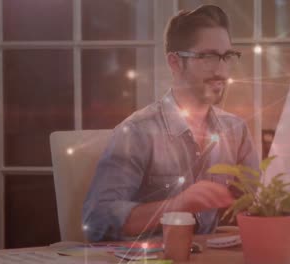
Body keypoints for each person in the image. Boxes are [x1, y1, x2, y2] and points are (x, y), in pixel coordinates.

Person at [82, 5, 259, 242]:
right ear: (175, 62)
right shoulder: (137, 132)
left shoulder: (236, 130)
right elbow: (96, 221)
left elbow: (253, 205)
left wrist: (289, 212)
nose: (221, 70)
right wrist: (177, 204)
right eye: (208, 57)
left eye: (227, 57)